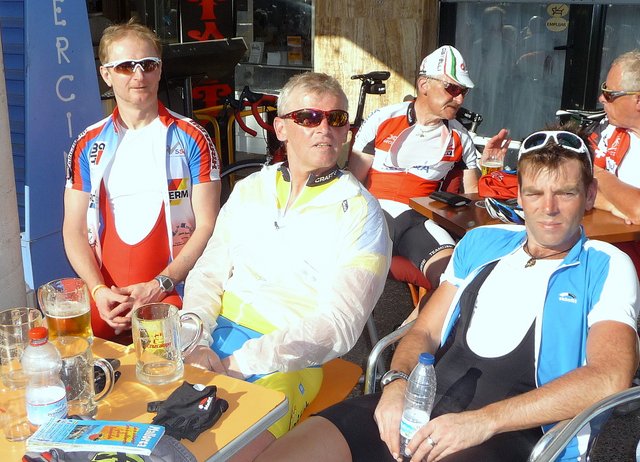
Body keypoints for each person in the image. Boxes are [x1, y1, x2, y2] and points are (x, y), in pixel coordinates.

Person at [256, 129, 640, 462]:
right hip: (420, 410)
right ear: (519, 196)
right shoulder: (482, 243)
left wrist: (483, 422)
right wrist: (397, 383)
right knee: (298, 447)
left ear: (590, 194)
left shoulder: (605, 265)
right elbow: (425, 331)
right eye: (535, 193)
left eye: (566, 193)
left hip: (513, 433)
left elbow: (610, 377)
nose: (548, 208)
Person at [181, 72, 391, 459]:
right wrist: (194, 338)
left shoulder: (362, 213)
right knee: (138, 430)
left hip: (287, 357)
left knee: (227, 453)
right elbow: (209, 271)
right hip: (210, 337)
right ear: (281, 128)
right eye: (309, 117)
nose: (324, 128)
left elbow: (339, 325)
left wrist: (239, 363)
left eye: (337, 119)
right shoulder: (251, 188)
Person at [63, 20, 221, 340]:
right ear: (106, 74)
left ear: (159, 70)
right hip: (106, 299)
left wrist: (160, 284)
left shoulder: (193, 137)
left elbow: (207, 225)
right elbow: (74, 229)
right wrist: (98, 290)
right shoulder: (88, 143)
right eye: (125, 66)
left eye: (148, 65)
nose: (139, 76)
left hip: (171, 293)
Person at [348, 45, 510, 290]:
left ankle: (415, 317)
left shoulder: (460, 136)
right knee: (345, 273)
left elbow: (475, 200)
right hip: (373, 213)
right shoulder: (382, 119)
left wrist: (491, 168)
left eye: (463, 91)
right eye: (452, 88)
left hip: (418, 221)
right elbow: (352, 185)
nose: (459, 99)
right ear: (424, 85)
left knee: (455, 277)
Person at [592, 50, 640, 274]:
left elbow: (638, 210)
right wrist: (613, 205)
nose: (601, 98)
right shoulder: (614, 131)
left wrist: (599, 175)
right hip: (616, 253)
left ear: (638, 100)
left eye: (609, 94)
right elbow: (580, 187)